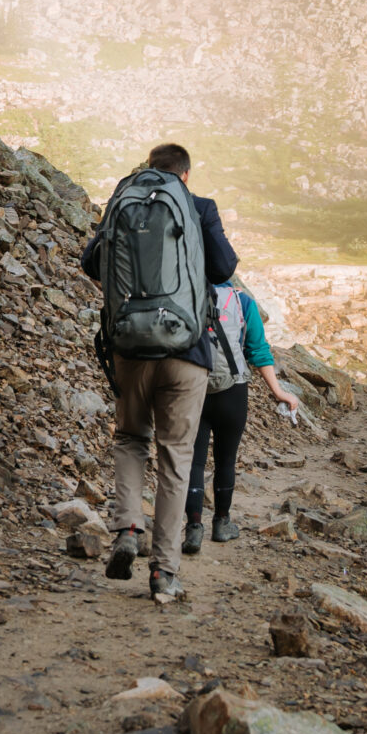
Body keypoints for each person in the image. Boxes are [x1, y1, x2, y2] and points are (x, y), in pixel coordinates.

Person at [80, 141, 236, 603]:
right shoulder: (198, 206)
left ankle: (128, 528)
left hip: (130, 347)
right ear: (184, 175)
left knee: (131, 440)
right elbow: (225, 268)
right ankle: (164, 572)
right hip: (186, 351)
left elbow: (91, 263)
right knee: (175, 457)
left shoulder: (123, 202)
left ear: (150, 171)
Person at [184, 278, 298, 553]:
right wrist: (279, 392)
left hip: (192, 389)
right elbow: (258, 351)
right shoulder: (242, 301)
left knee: (194, 462)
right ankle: (222, 524)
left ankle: (193, 529)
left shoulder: (184, 293)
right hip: (232, 391)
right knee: (226, 460)